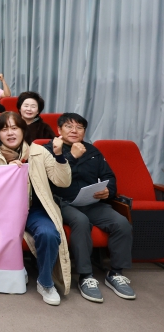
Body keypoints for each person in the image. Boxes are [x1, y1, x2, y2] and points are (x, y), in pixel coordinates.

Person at [0, 112, 72, 306]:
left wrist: (59, 155)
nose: (10, 133)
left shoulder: (38, 151)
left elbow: (63, 181)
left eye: (14, 128)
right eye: (4, 129)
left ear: (23, 130)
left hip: (35, 209)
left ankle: (45, 282)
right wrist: (7, 172)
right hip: (5, 211)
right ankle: (14, 269)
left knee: (49, 234)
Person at [48, 113, 135, 302]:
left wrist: (108, 191)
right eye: (69, 126)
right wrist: (71, 156)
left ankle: (116, 273)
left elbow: (109, 176)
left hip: (91, 201)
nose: (74, 130)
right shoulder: (50, 149)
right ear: (59, 129)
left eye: (79, 127)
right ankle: (86, 276)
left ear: (84, 132)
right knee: (81, 221)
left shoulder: (93, 151)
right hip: (63, 202)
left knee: (121, 223)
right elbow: (51, 177)